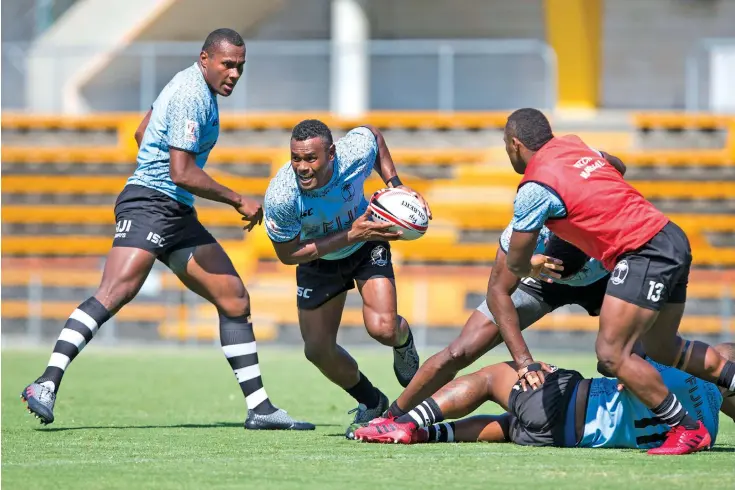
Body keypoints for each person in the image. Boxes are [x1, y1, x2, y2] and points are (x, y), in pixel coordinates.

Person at [21, 28, 313, 431]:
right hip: (150, 204)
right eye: (227, 64)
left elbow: (144, 131)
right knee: (115, 292)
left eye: (241, 67)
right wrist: (237, 198)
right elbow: (181, 171)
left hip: (175, 210)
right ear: (205, 58)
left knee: (233, 298)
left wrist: (160, 171)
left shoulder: (187, 84)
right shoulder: (193, 95)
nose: (234, 74)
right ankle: (45, 383)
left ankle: (260, 408)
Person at [497, 108, 735, 454]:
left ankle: (685, 428)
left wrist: (531, 265)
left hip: (643, 251)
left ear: (515, 144)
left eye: (506, 145)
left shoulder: (534, 187)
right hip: (671, 237)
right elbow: (617, 164)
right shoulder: (574, 145)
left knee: (611, 354)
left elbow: (515, 261)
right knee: (664, 348)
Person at [349, 227, 612, 439]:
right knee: (459, 351)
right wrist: (524, 362)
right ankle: (392, 417)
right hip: (540, 279)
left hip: (603, 281)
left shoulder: (614, 226)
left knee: (616, 360)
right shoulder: (528, 221)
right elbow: (498, 293)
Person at [263, 119, 429, 433]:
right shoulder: (282, 197)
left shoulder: (353, 154)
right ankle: (371, 401)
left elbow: (374, 135)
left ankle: (403, 341)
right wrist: (350, 234)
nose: (302, 167)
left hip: (367, 241)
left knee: (383, 329)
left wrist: (395, 185)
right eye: (295, 158)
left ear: (332, 154)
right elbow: (287, 255)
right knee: (317, 350)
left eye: (311, 158)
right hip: (319, 259)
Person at [354, 343, 734, 451]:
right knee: (507, 426)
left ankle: (406, 423)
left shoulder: (676, 371)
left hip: (569, 403)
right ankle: (428, 436)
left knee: (490, 378)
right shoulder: (709, 429)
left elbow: (612, 363)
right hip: (568, 439)